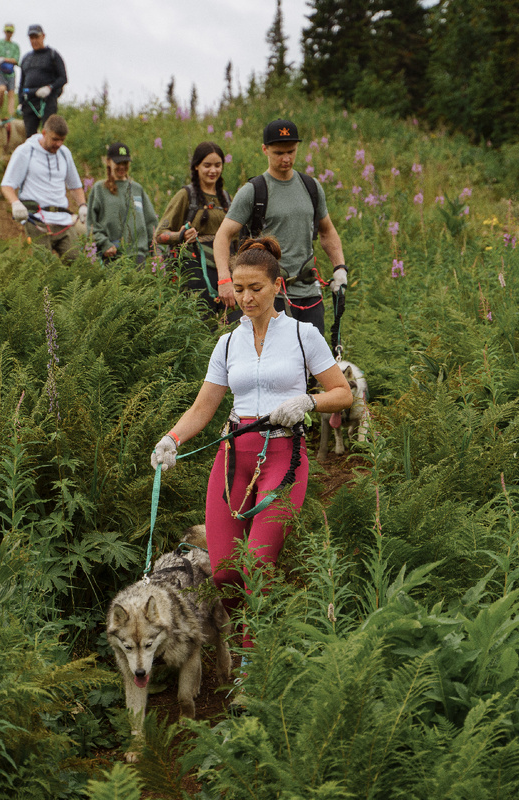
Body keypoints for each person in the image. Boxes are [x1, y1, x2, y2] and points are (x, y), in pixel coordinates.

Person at [149, 237, 353, 667]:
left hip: (284, 457)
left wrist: (307, 402)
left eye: (256, 288)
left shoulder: (303, 335)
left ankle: (252, 663)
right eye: (239, 289)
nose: (246, 297)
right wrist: (171, 439)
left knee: (257, 567)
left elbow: (342, 392)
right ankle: (246, 643)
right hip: (232, 460)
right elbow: (203, 407)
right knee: (224, 574)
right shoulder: (227, 344)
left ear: (278, 285)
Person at [212, 119, 350, 333]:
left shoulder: (312, 187)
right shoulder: (253, 191)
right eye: (278, 153)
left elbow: (327, 231)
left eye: (291, 151)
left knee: (311, 362)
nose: (286, 158)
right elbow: (223, 235)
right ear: (265, 150)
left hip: (309, 294)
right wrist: (224, 279)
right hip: (268, 296)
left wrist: (340, 268)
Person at [156, 141, 237, 318]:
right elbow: (159, 235)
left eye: (218, 165)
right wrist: (181, 235)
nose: (213, 171)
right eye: (207, 165)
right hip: (194, 272)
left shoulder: (226, 198)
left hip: (225, 271)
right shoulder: (186, 195)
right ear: (196, 167)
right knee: (201, 322)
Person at [0, 114, 87, 262]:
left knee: (76, 260)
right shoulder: (26, 151)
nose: (59, 144)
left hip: (63, 220)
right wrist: (15, 203)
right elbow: (7, 185)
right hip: (37, 219)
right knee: (43, 264)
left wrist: (83, 205)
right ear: (44, 133)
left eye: (62, 140)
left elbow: (75, 185)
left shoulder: (65, 153)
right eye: (55, 139)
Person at [88, 143, 158, 265]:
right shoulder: (99, 189)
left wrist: (157, 251)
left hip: (138, 255)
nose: (122, 167)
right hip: (111, 255)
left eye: (125, 163)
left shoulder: (137, 189)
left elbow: (151, 223)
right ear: (108, 162)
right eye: (118, 163)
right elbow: (92, 224)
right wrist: (104, 244)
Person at [18, 24, 67, 137]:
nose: (34, 41)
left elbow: (63, 78)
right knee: (30, 136)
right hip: (29, 101)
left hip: (47, 100)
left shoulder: (52, 55)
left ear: (43, 36)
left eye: (36, 37)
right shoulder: (26, 58)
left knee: (48, 133)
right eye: (31, 38)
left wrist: (50, 88)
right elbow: (21, 83)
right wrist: (20, 102)